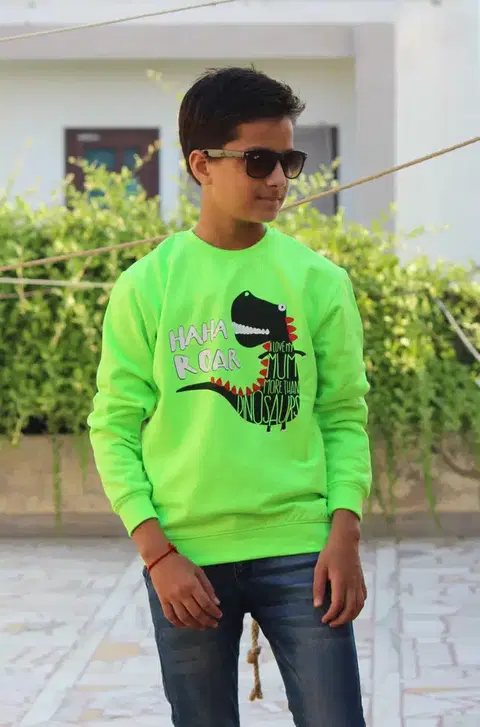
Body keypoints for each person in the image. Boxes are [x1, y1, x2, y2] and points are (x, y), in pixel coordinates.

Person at [88, 66, 371, 727]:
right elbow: (113, 426)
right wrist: (157, 553)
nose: (278, 180)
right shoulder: (146, 286)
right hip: (185, 557)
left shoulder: (320, 281)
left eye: (288, 161)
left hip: (304, 552)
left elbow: (342, 415)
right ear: (201, 165)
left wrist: (346, 530)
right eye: (258, 160)